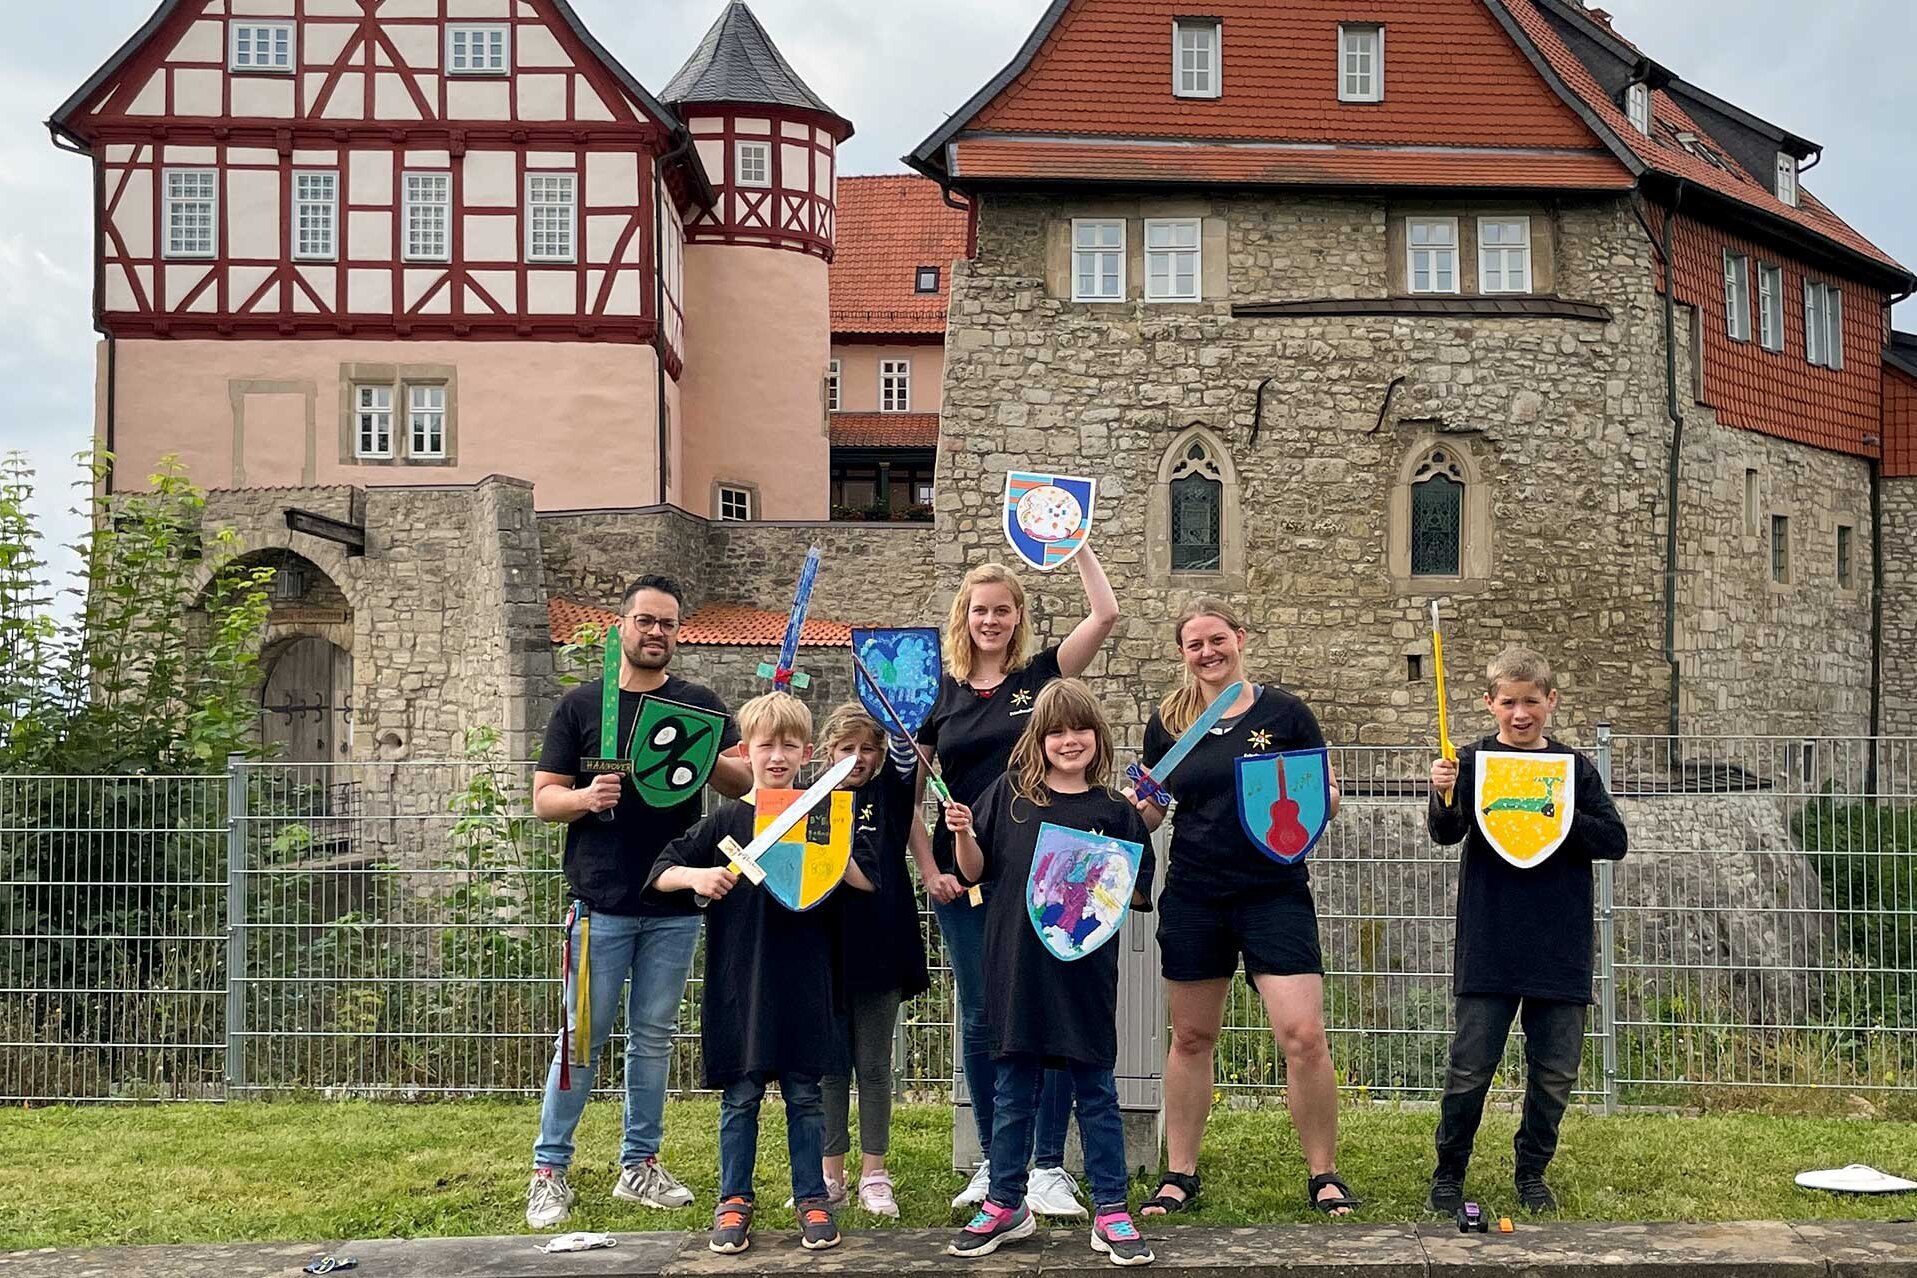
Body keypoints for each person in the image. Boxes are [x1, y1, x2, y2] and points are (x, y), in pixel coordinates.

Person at [525, 575, 751, 1230]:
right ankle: (549, 1170)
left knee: (652, 1040)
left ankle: (639, 1165)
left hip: (674, 901)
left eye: (668, 624)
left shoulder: (699, 705)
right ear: (621, 625)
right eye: (645, 621)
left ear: (678, 634)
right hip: (599, 903)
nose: (656, 633)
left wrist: (708, 757)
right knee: (582, 1038)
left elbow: (740, 780)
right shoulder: (582, 706)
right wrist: (584, 799)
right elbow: (544, 799)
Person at [1132, 598, 1359, 1217]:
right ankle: (1179, 1174)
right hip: (1197, 891)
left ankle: (1324, 1174)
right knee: (1192, 1037)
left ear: (1240, 637)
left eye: (1217, 639)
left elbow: (1324, 795)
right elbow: (1155, 811)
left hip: (1273, 891)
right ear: (1182, 653)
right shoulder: (1169, 722)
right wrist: (1134, 807)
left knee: (1304, 1035)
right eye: (1194, 644)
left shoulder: (1285, 713)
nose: (1207, 652)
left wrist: (1325, 799)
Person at [912, 552, 1119, 1215]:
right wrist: (929, 866)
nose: (991, 619)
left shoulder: (1040, 678)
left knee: (1049, 1010)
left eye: (1003, 609)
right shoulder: (936, 690)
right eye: (981, 609)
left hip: (1049, 870)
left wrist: (1076, 544)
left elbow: (1106, 614)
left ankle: (1047, 1166)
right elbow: (911, 791)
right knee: (983, 1016)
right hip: (967, 871)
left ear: (1018, 615)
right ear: (963, 617)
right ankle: (993, 1162)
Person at [649, 692, 879, 1255]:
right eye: (765, 744)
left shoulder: (825, 816)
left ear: (807, 753)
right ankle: (734, 1199)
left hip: (804, 979)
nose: (777, 756)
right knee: (742, 1096)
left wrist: (832, 846)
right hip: (742, 982)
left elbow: (867, 882)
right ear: (745, 751)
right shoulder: (725, 819)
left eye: (790, 745)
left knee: (805, 1095)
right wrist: (698, 880)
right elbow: (660, 872)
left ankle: (812, 1198)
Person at [941, 679, 1156, 1265]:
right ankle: (1007, 1202)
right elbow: (974, 870)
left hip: (1083, 975)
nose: (1069, 740)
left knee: (1096, 1091)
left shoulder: (1115, 812)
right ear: (1038, 738)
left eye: (1079, 729)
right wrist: (961, 834)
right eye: (1056, 731)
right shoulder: (1008, 795)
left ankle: (1112, 1209)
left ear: (1098, 737)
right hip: (1016, 968)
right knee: (1013, 1091)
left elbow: (1131, 893)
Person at [1426, 648, 1627, 1215]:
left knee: (1555, 1074)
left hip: (1560, 945)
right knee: (1469, 1070)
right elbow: (1447, 833)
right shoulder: (1469, 763)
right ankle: (1449, 1174)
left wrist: (1559, 814)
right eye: (1509, 702)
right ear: (1490, 703)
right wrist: (1443, 792)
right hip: (1489, 941)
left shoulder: (1573, 769)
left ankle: (1532, 1173)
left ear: (1551, 702)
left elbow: (1613, 841)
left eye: (1531, 702)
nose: (1520, 713)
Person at [814, 703, 930, 1216]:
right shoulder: (808, 800)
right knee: (831, 1066)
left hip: (880, 940)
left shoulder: (892, 793)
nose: (856, 759)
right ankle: (830, 1173)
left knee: (875, 1064)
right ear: (827, 753)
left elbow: (866, 872)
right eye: (846, 749)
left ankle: (874, 1173)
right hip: (822, 944)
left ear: (881, 754)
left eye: (867, 749)